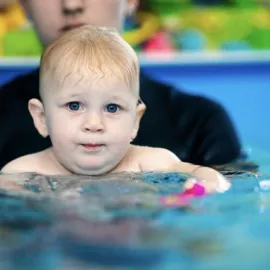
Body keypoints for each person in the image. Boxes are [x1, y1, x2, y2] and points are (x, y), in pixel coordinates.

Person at [0, 0, 241, 171]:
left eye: (112, 108)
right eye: (74, 105)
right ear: (23, 5)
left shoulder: (199, 124)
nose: (71, 4)